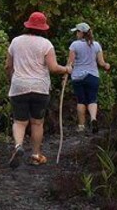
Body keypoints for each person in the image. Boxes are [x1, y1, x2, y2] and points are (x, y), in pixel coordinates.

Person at [6, 11, 71, 168]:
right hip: (40, 88)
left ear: (28, 25)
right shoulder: (46, 44)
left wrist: (11, 79)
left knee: (19, 122)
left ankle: (18, 146)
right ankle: (35, 155)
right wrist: (66, 69)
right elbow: (54, 68)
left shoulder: (15, 41)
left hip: (19, 86)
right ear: (43, 28)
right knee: (37, 123)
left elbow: (8, 66)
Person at [67, 22, 110, 133]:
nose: (76, 34)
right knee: (92, 99)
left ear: (81, 33)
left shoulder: (74, 45)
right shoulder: (96, 45)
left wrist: (65, 75)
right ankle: (93, 118)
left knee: (81, 101)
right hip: (93, 76)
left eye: (77, 31)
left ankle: (81, 126)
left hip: (78, 76)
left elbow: (70, 63)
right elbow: (101, 63)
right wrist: (106, 66)